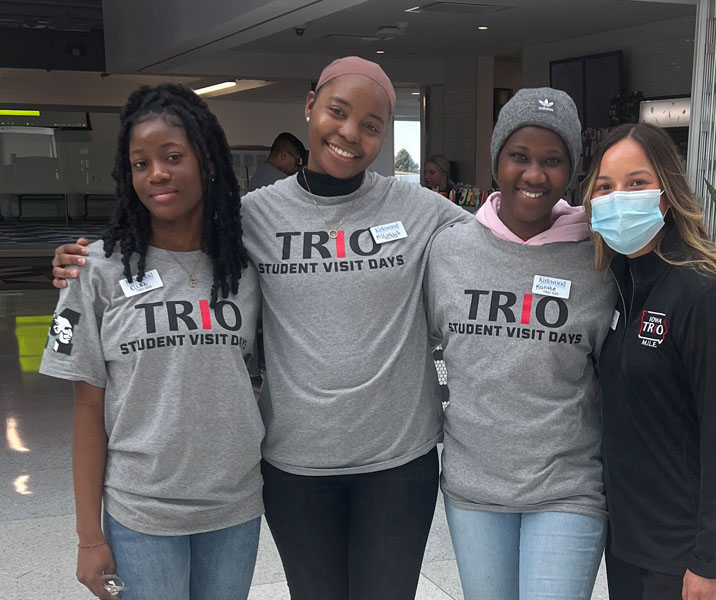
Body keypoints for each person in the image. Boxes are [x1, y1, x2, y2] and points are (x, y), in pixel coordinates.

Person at [52, 56, 469, 600]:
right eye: (337, 112)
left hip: (397, 461)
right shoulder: (250, 219)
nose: (350, 133)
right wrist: (79, 262)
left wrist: (577, 220)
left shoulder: (420, 208)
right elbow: (167, 230)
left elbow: (502, 236)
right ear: (310, 106)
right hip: (293, 464)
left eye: (371, 125)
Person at [40, 84, 264, 600]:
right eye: (140, 163)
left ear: (207, 163)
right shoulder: (93, 271)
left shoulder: (243, 265)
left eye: (172, 157)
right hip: (142, 510)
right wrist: (88, 537)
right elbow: (86, 410)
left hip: (234, 505)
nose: (156, 173)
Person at [424, 88, 615, 600]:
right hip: (474, 488)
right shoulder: (448, 250)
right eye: (519, 157)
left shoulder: (599, 259)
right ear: (496, 162)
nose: (534, 174)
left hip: (568, 486)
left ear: (572, 170)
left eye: (552, 160)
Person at [583, 123, 716, 600]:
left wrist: (711, 562)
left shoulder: (700, 296)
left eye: (636, 183)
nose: (619, 199)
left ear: (668, 194)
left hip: (686, 554)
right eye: (605, 187)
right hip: (631, 542)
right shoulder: (619, 285)